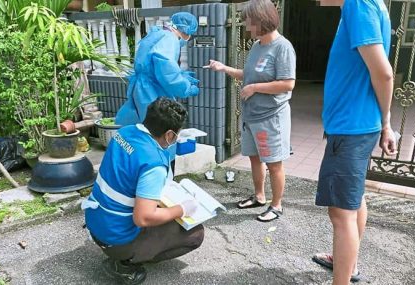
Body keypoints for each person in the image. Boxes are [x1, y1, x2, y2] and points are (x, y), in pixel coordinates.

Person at [311, 1, 397, 284]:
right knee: (354, 198)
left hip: (351, 127)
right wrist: (383, 124)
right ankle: (347, 265)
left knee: (340, 212)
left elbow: (383, 72)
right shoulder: (373, 5)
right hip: (358, 125)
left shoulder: (358, 4)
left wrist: (386, 123)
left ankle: (342, 279)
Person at [83, 98, 204, 285]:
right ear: (170, 135)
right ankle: (124, 264)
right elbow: (143, 218)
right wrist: (182, 209)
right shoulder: (152, 163)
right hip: (116, 238)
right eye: (177, 135)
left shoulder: (123, 133)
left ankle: (127, 252)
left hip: (96, 221)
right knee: (196, 234)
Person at [208, 0, 295, 222]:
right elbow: (248, 75)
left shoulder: (282, 47)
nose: (246, 25)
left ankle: (277, 206)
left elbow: (288, 83)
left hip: (271, 117)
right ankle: (259, 196)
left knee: (274, 164)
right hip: (251, 116)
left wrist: (255, 88)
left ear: (261, 21)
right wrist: (223, 68)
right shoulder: (257, 46)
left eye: (249, 21)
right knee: (255, 159)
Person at [115, 12, 200, 126]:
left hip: (143, 87)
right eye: (190, 34)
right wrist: (186, 87)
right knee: (156, 129)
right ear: (185, 31)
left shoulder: (158, 34)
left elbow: (154, 65)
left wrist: (181, 75)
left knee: (142, 126)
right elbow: (168, 72)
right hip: (152, 90)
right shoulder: (170, 39)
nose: (189, 38)